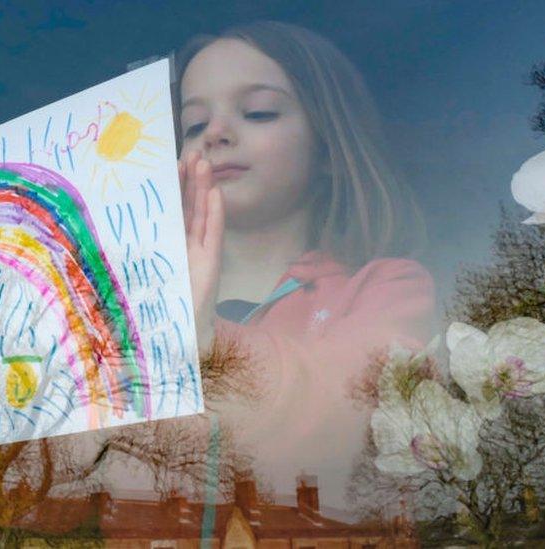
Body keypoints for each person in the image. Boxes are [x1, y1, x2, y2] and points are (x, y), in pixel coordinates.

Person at [176, 21, 436, 510]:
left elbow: (350, 423)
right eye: (193, 124)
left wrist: (206, 340)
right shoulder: (136, 300)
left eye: (259, 112)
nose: (214, 133)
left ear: (330, 149)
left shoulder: (388, 288)